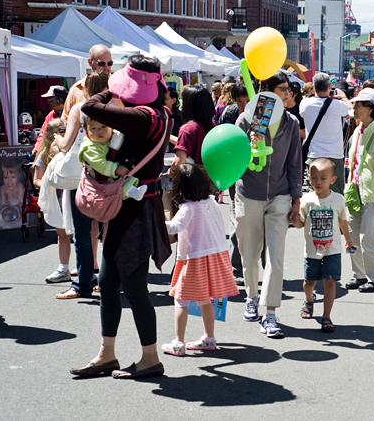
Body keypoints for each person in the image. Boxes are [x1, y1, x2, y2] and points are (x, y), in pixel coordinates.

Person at [71, 55, 172, 379]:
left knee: (134, 286)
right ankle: (107, 354)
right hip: (129, 206)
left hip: (135, 211)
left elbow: (89, 109)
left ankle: (150, 358)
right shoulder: (160, 113)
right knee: (108, 281)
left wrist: (106, 84)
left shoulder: (144, 117)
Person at [234, 72, 302, 339]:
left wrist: (296, 197)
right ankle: (251, 296)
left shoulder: (291, 122)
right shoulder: (246, 119)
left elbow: (295, 163)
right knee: (249, 255)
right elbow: (234, 159)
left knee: (275, 256)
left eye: (289, 89)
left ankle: (271, 313)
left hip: (280, 195)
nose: (289, 93)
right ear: (268, 92)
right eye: (283, 88)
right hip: (248, 193)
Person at [161, 163, 239, 357]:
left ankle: (178, 342)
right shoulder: (212, 202)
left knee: (181, 299)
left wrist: (156, 222)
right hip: (214, 257)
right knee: (205, 299)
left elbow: (174, 227)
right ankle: (209, 337)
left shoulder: (188, 207)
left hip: (194, 259)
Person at [54, 71, 109, 300]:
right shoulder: (115, 107)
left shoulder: (80, 108)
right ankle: (108, 280)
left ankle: (82, 284)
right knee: (109, 232)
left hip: (84, 177)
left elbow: (66, 145)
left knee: (83, 233)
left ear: (85, 89)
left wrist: (56, 138)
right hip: (109, 177)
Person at [294, 158, 353, 332]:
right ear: (309, 179)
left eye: (323, 178)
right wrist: (296, 219)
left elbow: (343, 222)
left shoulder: (338, 200)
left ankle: (326, 316)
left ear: (333, 180)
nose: (318, 182)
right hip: (312, 250)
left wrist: (348, 240)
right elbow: (301, 224)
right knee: (309, 281)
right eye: (314, 178)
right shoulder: (306, 200)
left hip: (332, 249)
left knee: (330, 282)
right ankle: (309, 299)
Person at [344, 88, 374, 292]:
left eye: (359, 104)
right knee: (352, 236)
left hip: (373, 194)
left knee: (368, 238)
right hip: (355, 191)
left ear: (371, 108)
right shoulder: (358, 130)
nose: (354, 108)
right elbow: (353, 163)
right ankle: (360, 275)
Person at [34, 118, 75, 284]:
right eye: (63, 131)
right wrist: (51, 181)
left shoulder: (73, 151)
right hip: (57, 197)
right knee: (62, 234)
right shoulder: (44, 154)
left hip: (73, 194)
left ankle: (87, 268)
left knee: (82, 234)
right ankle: (63, 267)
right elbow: (37, 179)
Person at [300, 72, 351, 194]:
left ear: (314, 87)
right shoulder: (338, 105)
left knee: (314, 193)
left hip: (314, 154)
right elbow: (351, 110)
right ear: (329, 87)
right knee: (336, 193)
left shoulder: (305, 104)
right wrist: (343, 96)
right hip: (335, 155)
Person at [78, 116, 148, 201]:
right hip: (96, 182)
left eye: (104, 126)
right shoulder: (89, 148)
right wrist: (116, 169)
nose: (99, 131)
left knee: (122, 182)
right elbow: (100, 164)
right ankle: (131, 192)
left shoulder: (111, 137)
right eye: (93, 128)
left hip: (107, 179)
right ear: (86, 130)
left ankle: (133, 191)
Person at [63, 44, 115, 119]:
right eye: (101, 64)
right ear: (90, 62)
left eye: (109, 63)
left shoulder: (119, 87)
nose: (106, 67)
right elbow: (66, 119)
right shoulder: (77, 89)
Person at [172, 85, 215, 168]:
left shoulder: (188, 129)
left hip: (195, 179)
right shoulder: (212, 126)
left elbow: (178, 162)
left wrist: (171, 172)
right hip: (213, 178)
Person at [33, 86, 69, 155]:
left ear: (60, 100)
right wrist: (36, 149)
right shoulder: (50, 115)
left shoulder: (72, 113)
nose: (48, 102)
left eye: (50, 98)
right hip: (53, 152)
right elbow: (43, 134)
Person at [0, 157, 24, 230]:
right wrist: (5, 209)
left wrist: (17, 208)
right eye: (6, 177)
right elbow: (3, 203)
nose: (9, 181)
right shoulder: (3, 188)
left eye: (12, 177)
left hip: (18, 206)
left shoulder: (19, 186)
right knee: (0, 219)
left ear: (18, 177)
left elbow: (21, 202)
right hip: (9, 207)